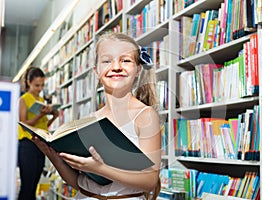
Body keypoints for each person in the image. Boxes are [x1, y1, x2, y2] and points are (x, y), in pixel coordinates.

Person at [32, 32, 162, 199]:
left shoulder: (145, 115)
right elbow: (78, 182)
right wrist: (53, 156)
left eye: (125, 60)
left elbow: (150, 181)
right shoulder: (92, 119)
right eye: (107, 61)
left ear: (137, 69)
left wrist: (100, 169)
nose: (116, 67)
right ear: (96, 71)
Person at [18, 66, 59, 200]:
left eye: (42, 85)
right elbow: (23, 124)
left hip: (40, 144)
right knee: (27, 187)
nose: (40, 89)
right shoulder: (24, 99)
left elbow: (42, 126)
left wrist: (53, 116)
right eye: (37, 85)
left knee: (35, 185)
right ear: (29, 82)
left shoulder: (41, 101)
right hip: (28, 145)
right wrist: (40, 115)